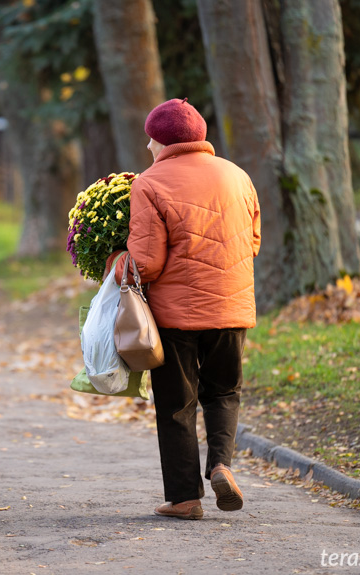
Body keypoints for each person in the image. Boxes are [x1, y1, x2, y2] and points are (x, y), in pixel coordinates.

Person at [106, 98, 261, 520]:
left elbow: (148, 261)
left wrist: (113, 265)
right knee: (224, 391)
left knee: (176, 403)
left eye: (150, 141)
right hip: (232, 308)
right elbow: (253, 243)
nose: (149, 149)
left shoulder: (150, 183)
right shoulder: (238, 176)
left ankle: (185, 499)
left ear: (159, 140)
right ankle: (222, 466)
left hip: (176, 316)